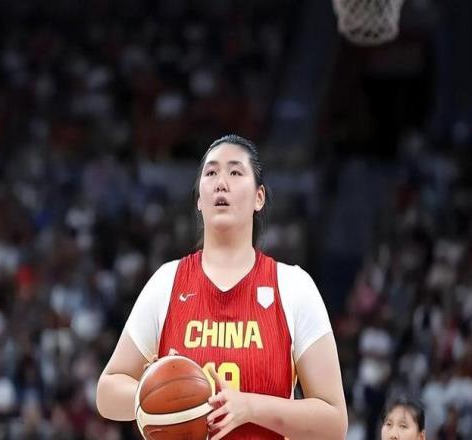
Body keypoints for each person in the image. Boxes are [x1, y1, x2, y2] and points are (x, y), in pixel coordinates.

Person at [96, 134, 348, 439]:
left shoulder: (294, 287)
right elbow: (107, 392)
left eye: (236, 172)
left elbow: (334, 422)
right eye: (211, 172)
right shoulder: (167, 282)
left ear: (259, 197)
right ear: (199, 200)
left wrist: (249, 407)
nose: (221, 183)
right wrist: (159, 393)